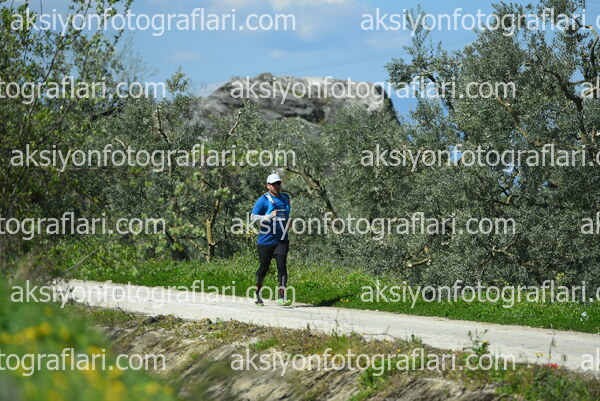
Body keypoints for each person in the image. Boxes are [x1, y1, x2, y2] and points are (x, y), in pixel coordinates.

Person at [251, 173, 292, 306]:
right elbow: (253, 217)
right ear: (267, 186)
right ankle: (258, 292)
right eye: (273, 184)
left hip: (282, 239)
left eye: (278, 183)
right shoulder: (263, 200)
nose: (276, 186)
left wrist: (288, 221)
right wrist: (268, 217)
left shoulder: (285, 197)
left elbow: (285, 214)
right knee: (264, 267)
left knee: (282, 266)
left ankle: (282, 296)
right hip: (266, 240)